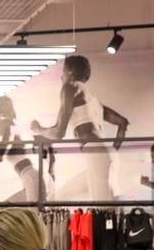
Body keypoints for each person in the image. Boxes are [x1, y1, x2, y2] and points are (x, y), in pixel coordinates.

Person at [32, 54, 130, 202]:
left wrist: (39, 129)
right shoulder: (93, 100)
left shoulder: (70, 87)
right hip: (107, 155)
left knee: (103, 212)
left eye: (63, 71)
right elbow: (123, 123)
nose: (61, 77)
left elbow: (59, 132)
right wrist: (110, 151)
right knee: (68, 198)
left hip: (96, 154)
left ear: (70, 71)